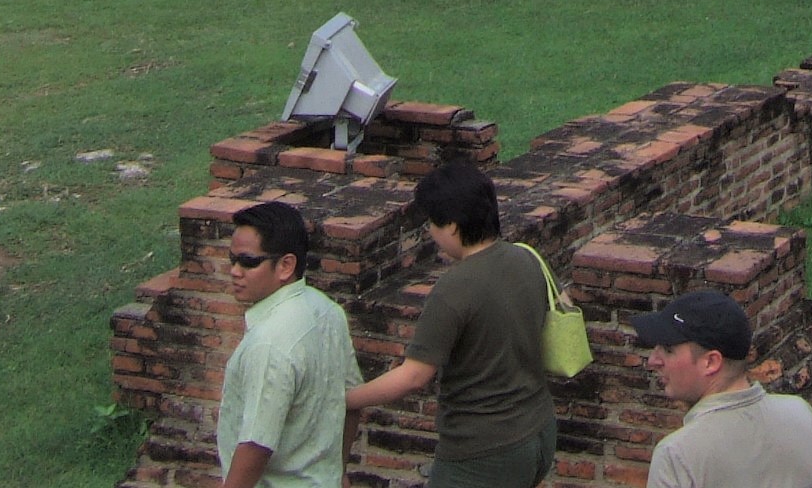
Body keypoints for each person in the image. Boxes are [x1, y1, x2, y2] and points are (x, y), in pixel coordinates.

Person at [345, 159, 556, 486]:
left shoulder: (455, 288)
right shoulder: (526, 258)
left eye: (432, 223)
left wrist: (348, 399)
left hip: (483, 452)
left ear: (454, 226)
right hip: (539, 431)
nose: (430, 232)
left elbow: (415, 375)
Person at [632, 291, 812, 488]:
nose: (653, 360)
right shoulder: (802, 415)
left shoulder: (676, 455)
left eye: (668, 350)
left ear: (711, 362)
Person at [214, 200, 360, 488]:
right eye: (232, 260)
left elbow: (256, 444)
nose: (234, 271)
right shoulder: (327, 311)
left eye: (248, 261)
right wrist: (339, 471)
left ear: (286, 265)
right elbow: (350, 403)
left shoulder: (269, 341)